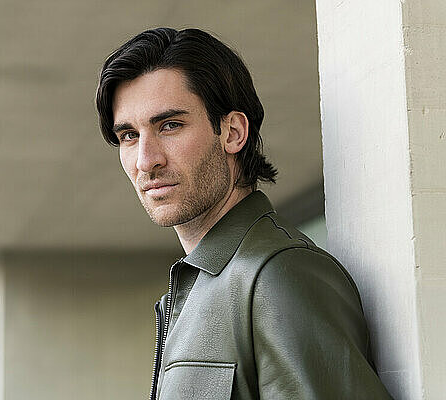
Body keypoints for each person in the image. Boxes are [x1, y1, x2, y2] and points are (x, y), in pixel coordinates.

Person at [95, 27, 392, 400]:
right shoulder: (199, 286)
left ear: (233, 132)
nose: (146, 160)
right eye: (129, 136)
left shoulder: (279, 274)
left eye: (170, 125)